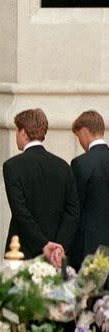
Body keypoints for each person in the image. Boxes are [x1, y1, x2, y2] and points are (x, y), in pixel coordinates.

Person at [3, 108, 80, 265]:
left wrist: (43, 245)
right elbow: (72, 212)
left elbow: (20, 211)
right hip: (57, 254)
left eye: (16, 132)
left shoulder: (12, 166)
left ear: (23, 133)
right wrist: (59, 247)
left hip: (22, 250)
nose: (16, 136)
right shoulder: (63, 166)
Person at [70, 110, 109, 268]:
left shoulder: (81, 163)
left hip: (89, 247)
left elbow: (75, 207)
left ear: (84, 131)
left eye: (78, 136)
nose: (80, 142)